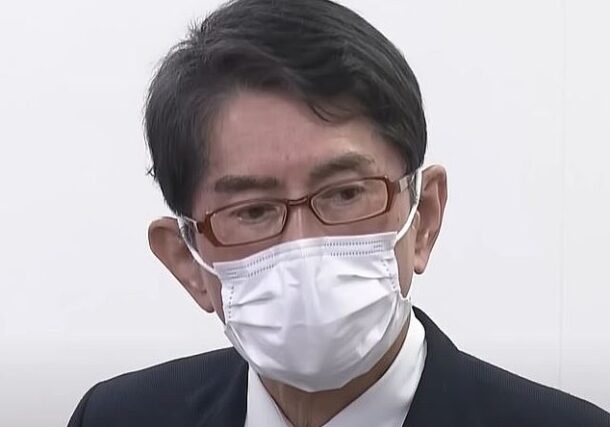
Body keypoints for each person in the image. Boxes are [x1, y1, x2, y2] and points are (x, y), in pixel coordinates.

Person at [68, 0, 610, 426]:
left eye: (345, 194)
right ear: (188, 262)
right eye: (253, 211)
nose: (304, 245)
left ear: (423, 217)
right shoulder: (118, 417)